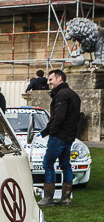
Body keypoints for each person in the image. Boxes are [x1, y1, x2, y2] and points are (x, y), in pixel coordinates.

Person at [38, 69, 81, 207]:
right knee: (65, 164)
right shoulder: (73, 94)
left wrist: (52, 132)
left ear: (59, 79)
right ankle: (66, 198)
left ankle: (48, 198)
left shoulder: (61, 95)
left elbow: (58, 117)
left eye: (51, 79)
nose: (48, 82)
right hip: (69, 135)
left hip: (60, 136)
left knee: (48, 163)